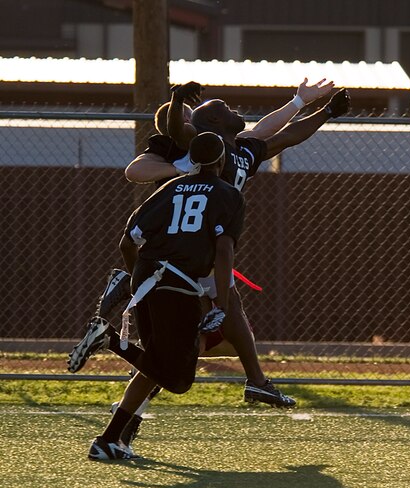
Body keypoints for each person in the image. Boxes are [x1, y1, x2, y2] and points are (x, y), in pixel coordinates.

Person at [90, 80, 348, 443]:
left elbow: (281, 136)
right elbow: (174, 136)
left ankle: (121, 428)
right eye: (226, 109)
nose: (236, 111)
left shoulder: (236, 150)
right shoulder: (198, 154)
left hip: (182, 256)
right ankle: (256, 381)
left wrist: (319, 109)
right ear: (210, 130)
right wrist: (178, 102)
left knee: (181, 351)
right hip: (191, 256)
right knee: (221, 319)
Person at [70, 132, 245, 460]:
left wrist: (140, 284)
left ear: (193, 161)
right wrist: (222, 301)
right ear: (222, 162)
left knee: (154, 365)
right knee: (177, 379)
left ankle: (108, 440)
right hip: (179, 288)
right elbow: (223, 251)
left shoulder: (167, 189)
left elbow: (127, 242)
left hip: (147, 282)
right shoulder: (227, 194)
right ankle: (109, 340)